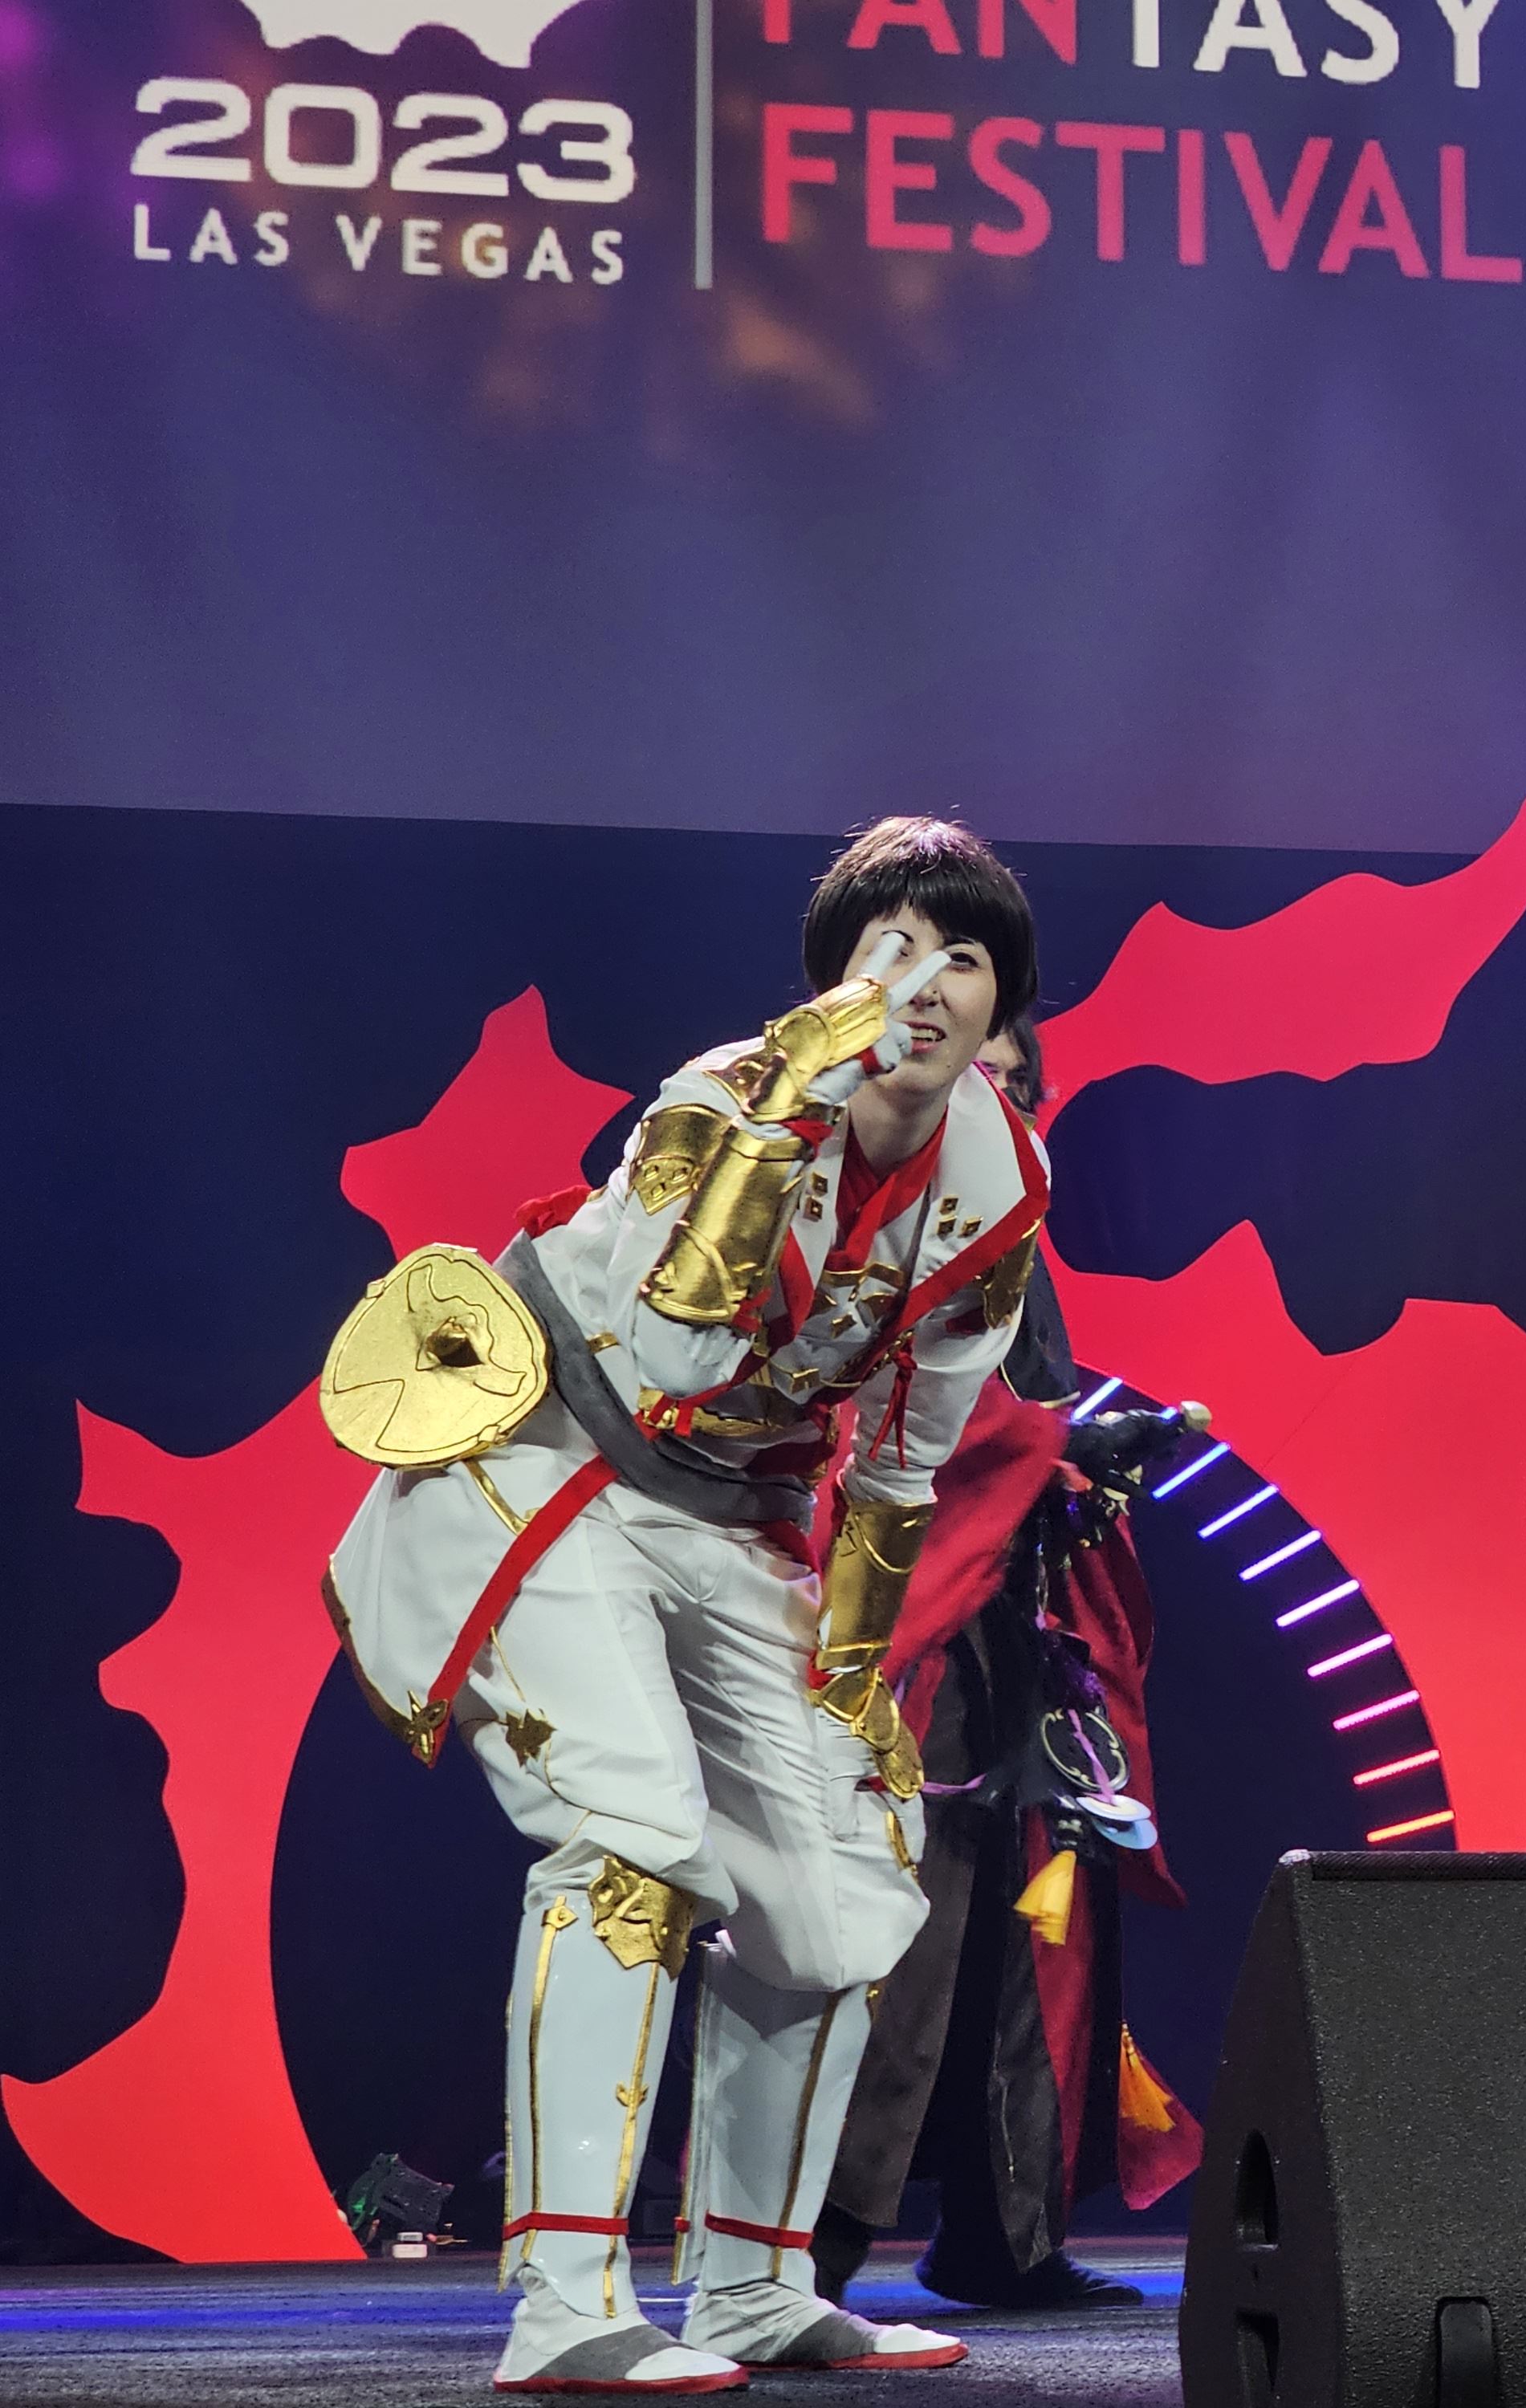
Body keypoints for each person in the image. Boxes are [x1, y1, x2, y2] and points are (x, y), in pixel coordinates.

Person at [320, 819, 1049, 2392]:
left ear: (1005, 1002)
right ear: (835, 977)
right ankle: (566, 2308)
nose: (926, 984)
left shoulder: (997, 1185)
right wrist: (782, 1114)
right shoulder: (718, 1103)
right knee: (636, 1839)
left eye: (965, 957)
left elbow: (905, 1458)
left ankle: (753, 2289)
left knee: (842, 1874)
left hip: (739, 1514)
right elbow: (671, 1361)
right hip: (553, 1456)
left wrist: (851, 1682)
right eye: (891, 950)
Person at [815, 1017, 1203, 2315]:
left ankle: (1004, 2233)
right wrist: (1057, 1451)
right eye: (984, 1079)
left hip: (1009, 1611)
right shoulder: (870, 1220)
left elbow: (1019, 1413)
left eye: (1023, 1086)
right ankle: (799, 2247)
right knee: (899, 1921)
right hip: (896, 1615)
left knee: (1028, 1915)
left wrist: (1082, 1453)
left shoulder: (1016, 1241)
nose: (1005, 1102)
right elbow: (881, 1413)